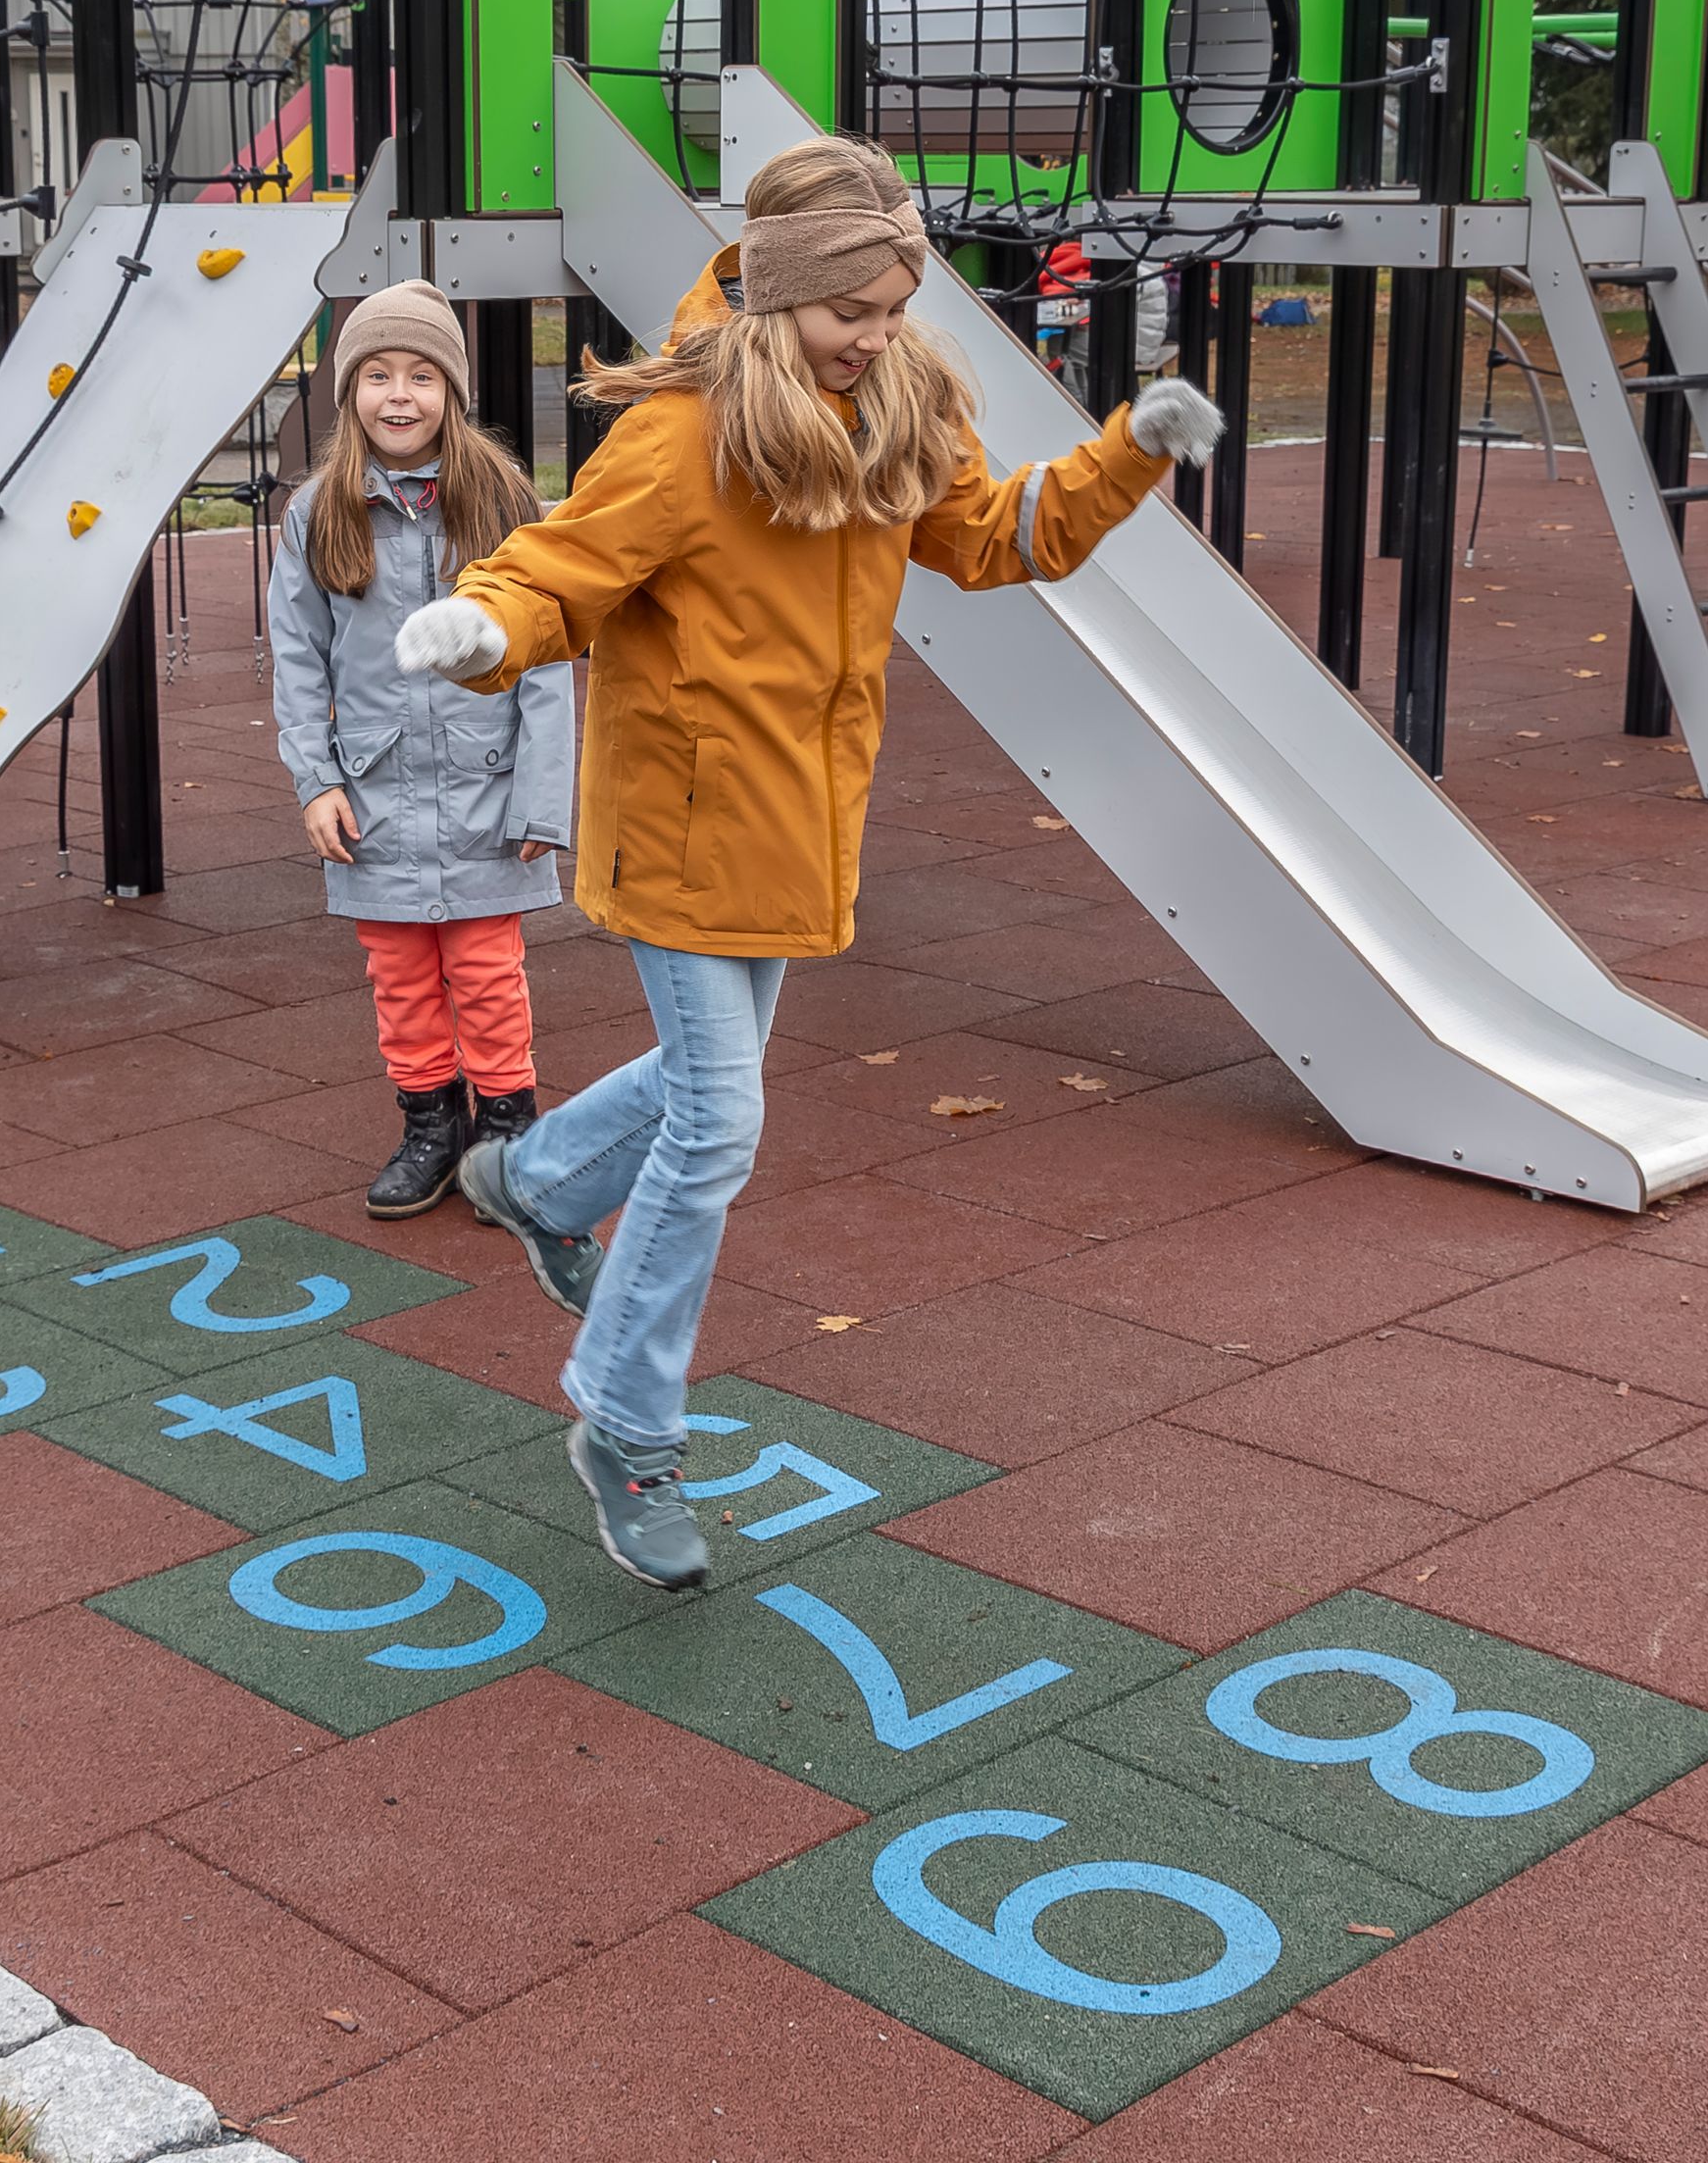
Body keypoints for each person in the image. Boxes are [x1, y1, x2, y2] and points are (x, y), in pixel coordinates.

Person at [390, 138, 1221, 1588]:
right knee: (720, 1124)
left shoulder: (895, 413)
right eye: (855, 313)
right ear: (780, 299)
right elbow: (561, 569)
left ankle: (535, 1180)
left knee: (701, 1092)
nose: (877, 338)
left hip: (800, 813)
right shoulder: (688, 434)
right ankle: (626, 1422)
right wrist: (484, 630)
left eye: (897, 312)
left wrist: (1128, 452)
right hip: (683, 818)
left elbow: (995, 534)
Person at [270, 280, 578, 1219]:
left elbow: (550, 654)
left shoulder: (501, 499)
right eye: (375, 374)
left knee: (486, 972)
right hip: (378, 796)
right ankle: (429, 1125)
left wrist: (544, 797)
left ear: (454, 390)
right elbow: (295, 654)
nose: (398, 395)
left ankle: (506, 1131)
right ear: (347, 390)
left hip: (488, 791)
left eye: (420, 375)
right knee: (400, 976)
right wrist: (315, 781)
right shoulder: (320, 510)